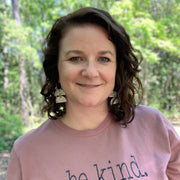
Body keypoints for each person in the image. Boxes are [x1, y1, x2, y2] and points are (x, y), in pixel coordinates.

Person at [7, 7, 180, 180]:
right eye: (75, 58)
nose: (90, 72)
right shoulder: (26, 151)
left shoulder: (154, 126)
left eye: (104, 59)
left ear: (116, 69)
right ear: (56, 67)